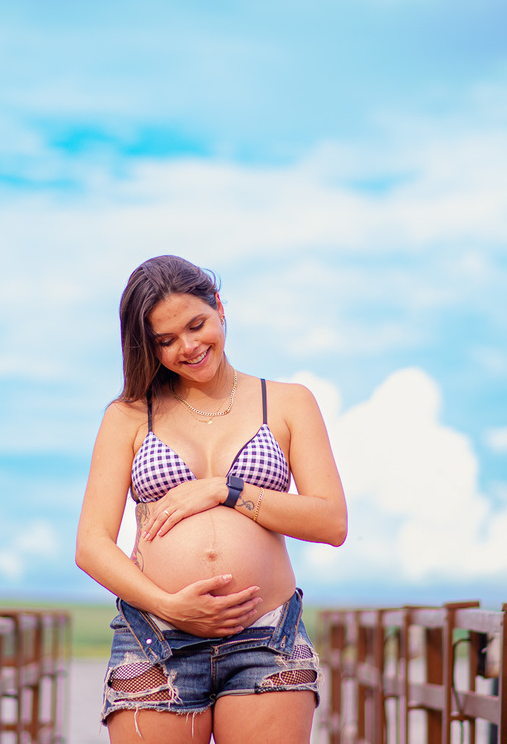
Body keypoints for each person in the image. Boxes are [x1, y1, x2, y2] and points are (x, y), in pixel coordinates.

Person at [76, 255, 348, 744]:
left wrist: (228, 489)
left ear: (219, 307)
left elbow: (331, 522)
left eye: (197, 324)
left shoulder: (288, 402)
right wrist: (170, 606)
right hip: (155, 637)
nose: (189, 346)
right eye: (165, 340)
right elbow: (91, 544)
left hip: (266, 639)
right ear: (147, 346)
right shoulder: (129, 416)